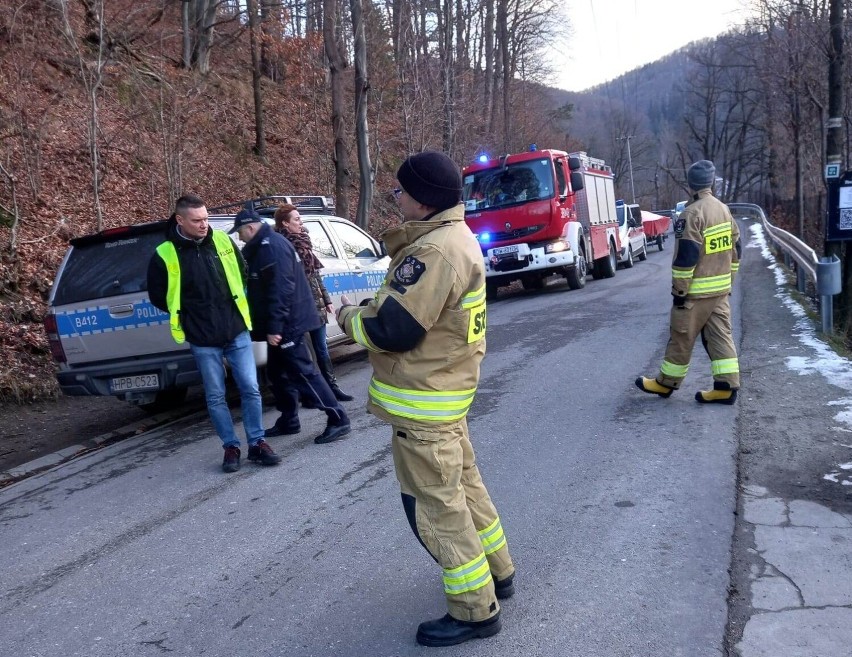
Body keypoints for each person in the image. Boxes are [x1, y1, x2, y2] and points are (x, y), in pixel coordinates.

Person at [336, 152, 514, 647]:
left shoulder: (434, 252)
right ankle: (499, 573)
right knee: (468, 492)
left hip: (424, 406)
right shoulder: (458, 239)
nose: (396, 198)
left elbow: (394, 329)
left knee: (436, 509)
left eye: (400, 191)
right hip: (446, 398)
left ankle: (475, 610)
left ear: (424, 198)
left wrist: (349, 318)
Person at [147, 195, 281, 473]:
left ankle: (257, 443)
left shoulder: (222, 241)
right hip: (202, 337)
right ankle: (230, 447)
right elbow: (159, 296)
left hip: (235, 329)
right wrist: (190, 314)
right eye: (196, 220)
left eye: (206, 218)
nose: (203, 225)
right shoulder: (164, 254)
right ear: (180, 220)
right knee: (216, 395)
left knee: (250, 388)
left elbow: (241, 273)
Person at [231, 209, 351, 445]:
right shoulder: (262, 247)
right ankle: (289, 419)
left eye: (241, 232)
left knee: (303, 373)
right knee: (277, 374)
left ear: (250, 228)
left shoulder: (271, 248)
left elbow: (281, 289)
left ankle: (338, 417)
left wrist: (275, 327)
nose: (240, 237)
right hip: (276, 325)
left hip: (287, 324)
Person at [635, 159, 741, 403]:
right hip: (720, 290)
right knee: (721, 336)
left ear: (690, 184)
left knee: (681, 334)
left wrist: (679, 292)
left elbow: (686, 257)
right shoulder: (723, 209)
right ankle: (726, 387)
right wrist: (729, 281)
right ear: (711, 182)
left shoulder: (692, 213)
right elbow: (736, 249)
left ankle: (665, 383)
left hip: (696, 292)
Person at [273, 204, 354, 403]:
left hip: (315, 303)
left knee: (322, 348)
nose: (301, 223)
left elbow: (316, 276)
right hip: (298, 307)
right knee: (303, 353)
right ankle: (310, 394)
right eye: (297, 219)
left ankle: (332, 388)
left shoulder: (304, 242)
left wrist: (326, 300)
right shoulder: (282, 246)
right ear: (285, 223)